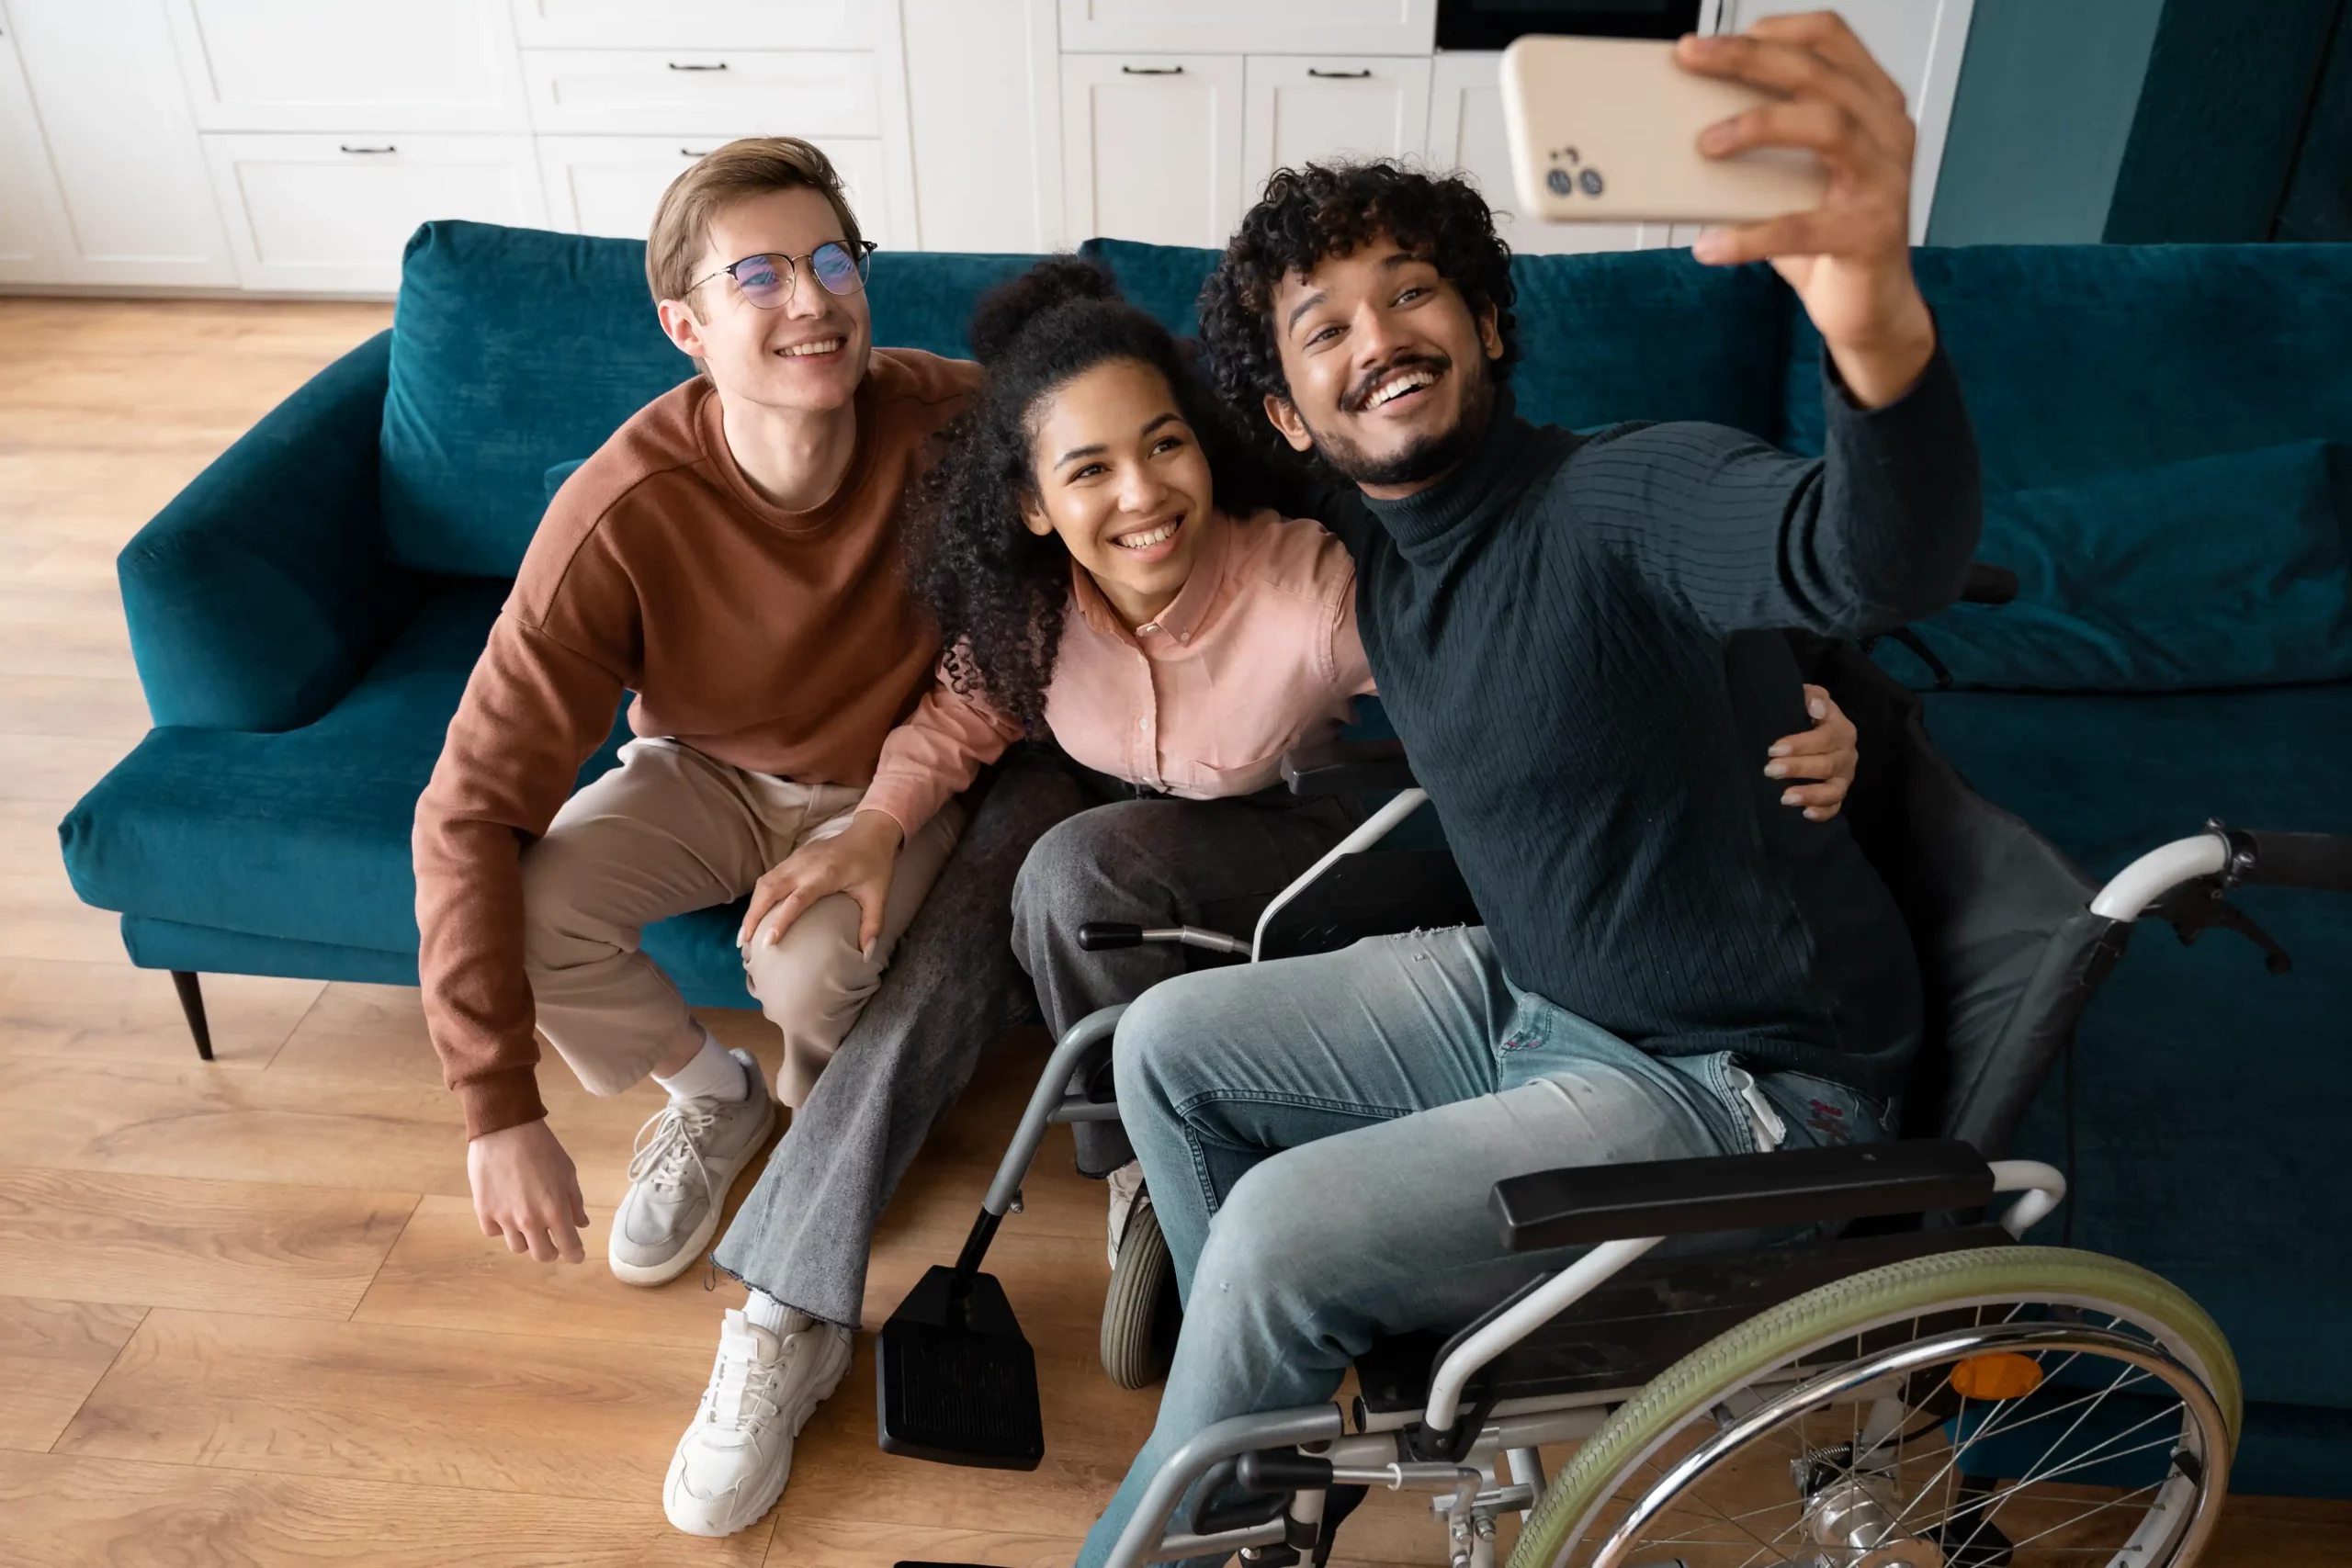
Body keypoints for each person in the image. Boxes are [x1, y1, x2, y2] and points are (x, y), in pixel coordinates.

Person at [1079, 15, 1982, 1564]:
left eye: (1413, 290)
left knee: (1284, 1235)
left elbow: (1868, 555)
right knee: (1158, 1047)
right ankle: (1270, 1451)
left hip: (1743, 1079)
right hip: (1541, 997)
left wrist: (1871, 310)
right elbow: (1110, 401)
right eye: (1326, 325)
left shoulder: (1621, 497)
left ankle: (1187, 1520)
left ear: (1489, 324)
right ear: (1290, 420)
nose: (1377, 336)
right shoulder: (1369, 529)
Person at [894, 258, 1863, 1260]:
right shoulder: (1029, 607)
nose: (1138, 494)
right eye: (1088, 469)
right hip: (1141, 826)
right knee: (1060, 867)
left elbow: (1516, 661)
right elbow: (960, 713)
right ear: (1035, 505)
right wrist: (871, 830)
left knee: (1074, 868)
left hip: (1296, 833)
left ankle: (1201, 1154)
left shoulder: (1310, 599)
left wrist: (1771, 696)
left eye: (1163, 446)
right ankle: (1139, 1167)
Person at [410, 138, 1054, 1539]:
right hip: (708, 768)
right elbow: (466, 803)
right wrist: (497, 1105)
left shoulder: (955, 427)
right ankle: (715, 1097)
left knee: (819, 969)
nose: (810, 300)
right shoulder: (624, 510)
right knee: (539, 904)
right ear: (687, 324)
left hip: (894, 777)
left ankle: (819, 1185)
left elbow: (1090, 514)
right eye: (757, 274)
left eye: (833, 260)